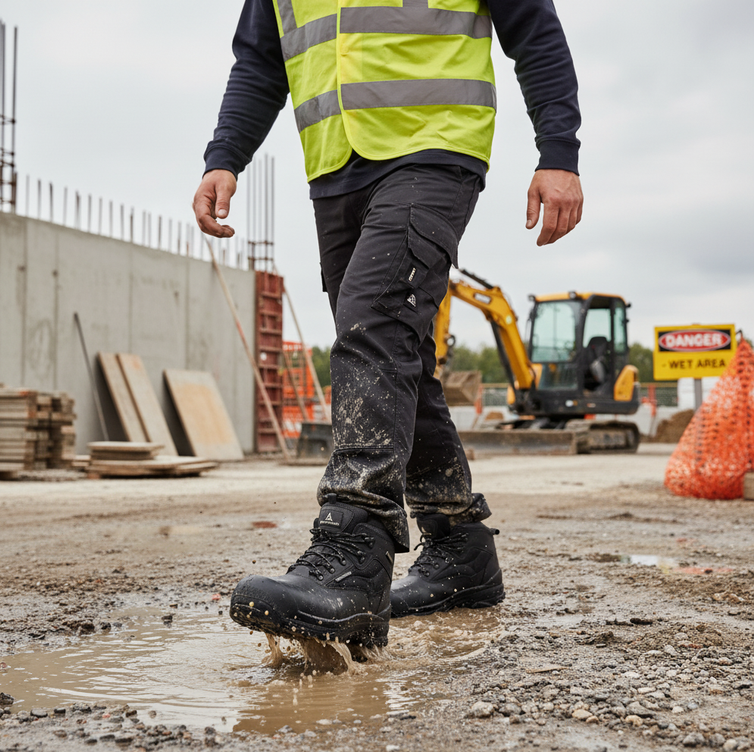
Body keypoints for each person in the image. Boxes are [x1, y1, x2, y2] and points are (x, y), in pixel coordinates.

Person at [193, 0, 583, 649]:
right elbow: (261, 60)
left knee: (372, 325)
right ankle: (459, 546)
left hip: (434, 146)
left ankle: (354, 545)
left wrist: (559, 151)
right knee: (396, 352)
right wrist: (224, 155)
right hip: (334, 167)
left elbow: (534, 31)